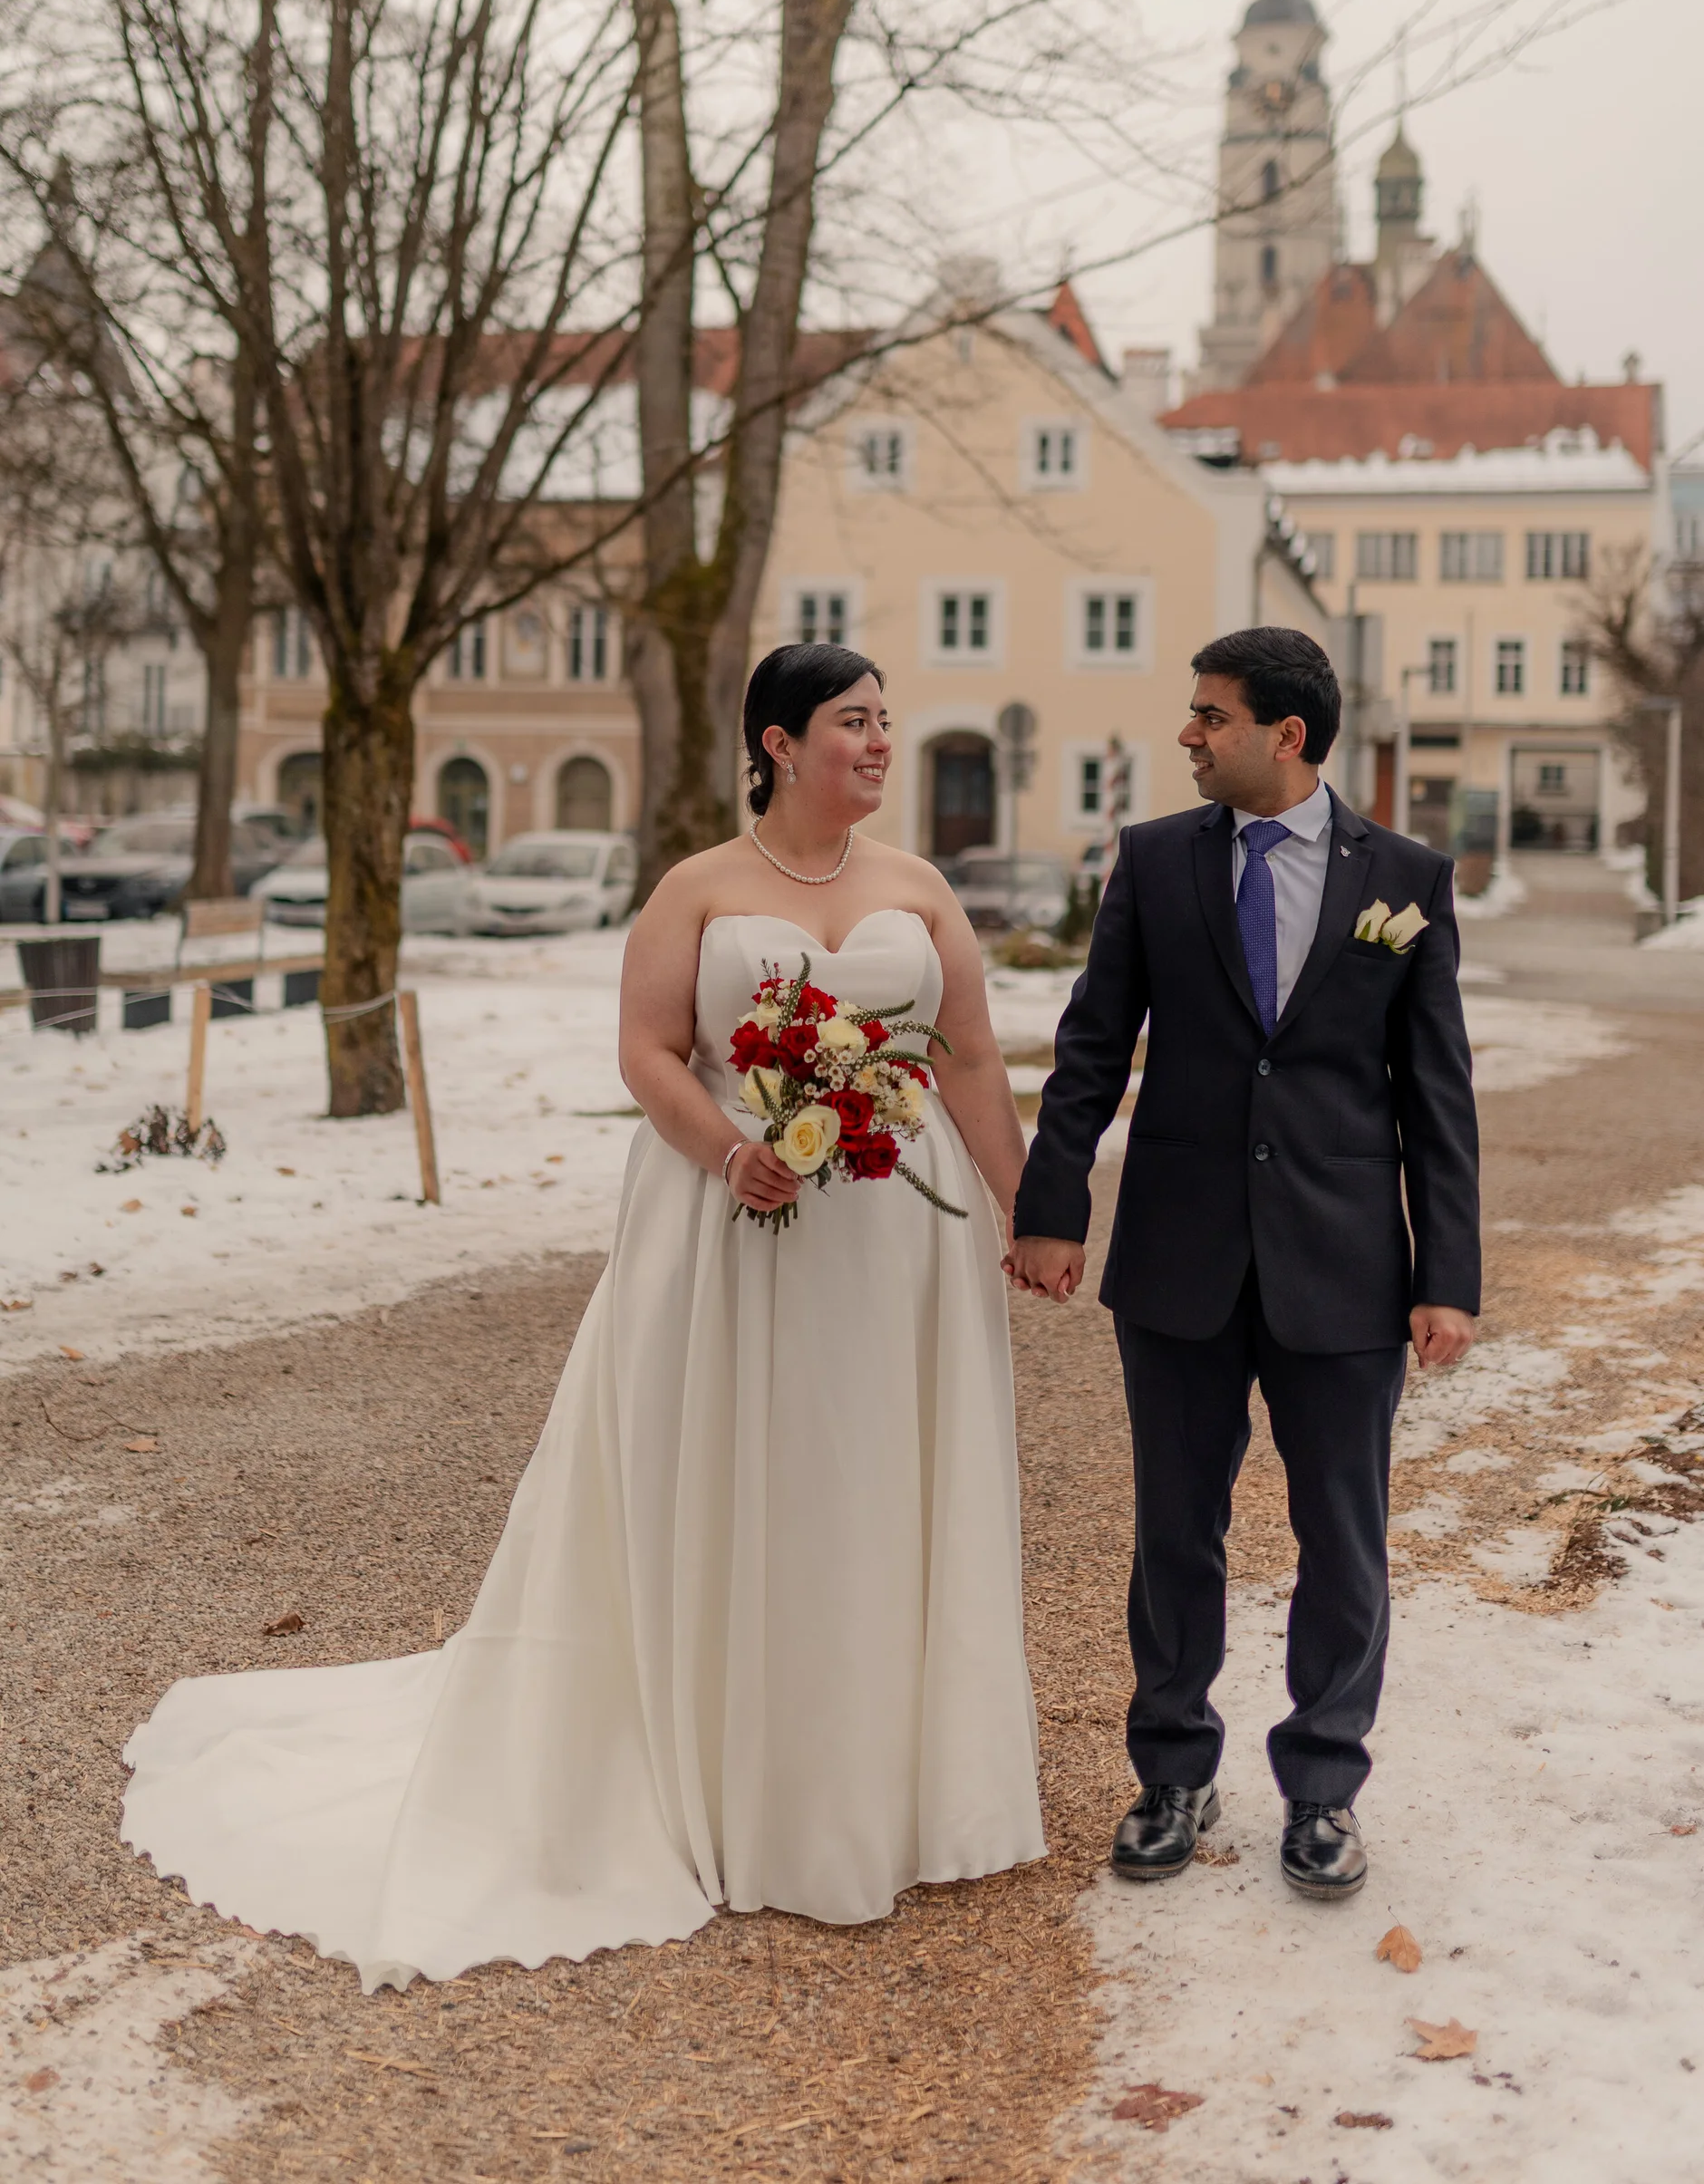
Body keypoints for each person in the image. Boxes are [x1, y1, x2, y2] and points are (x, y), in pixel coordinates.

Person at [122, 643, 1043, 1989]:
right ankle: (732, 1778)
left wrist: (1033, 1213)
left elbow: (965, 1060)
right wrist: (733, 1148)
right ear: (778, 744)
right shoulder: (699, 888)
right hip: (734, 1225)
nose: (879, 744)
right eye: (853, 724)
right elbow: (647, 1051)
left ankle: (887, 1780)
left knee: (877, 1488)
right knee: (746, 1482)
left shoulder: (919, 890)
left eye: (887, 724)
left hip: (899, 1245)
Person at [1006, 627, 1478, 1901]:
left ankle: (1323, 1789)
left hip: (1345, 1268)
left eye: (1212, 716)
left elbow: (1438, 1098)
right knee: (1175, 1528)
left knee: (1344, 1536)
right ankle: (1172, 1771)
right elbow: (1093, 1045)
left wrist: (1450, 1276)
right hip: (1179, 1256)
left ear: (1289, 736)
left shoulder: (1409, 879)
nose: (1189, 735)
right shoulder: (1156, 862)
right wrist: (1053, 1207)